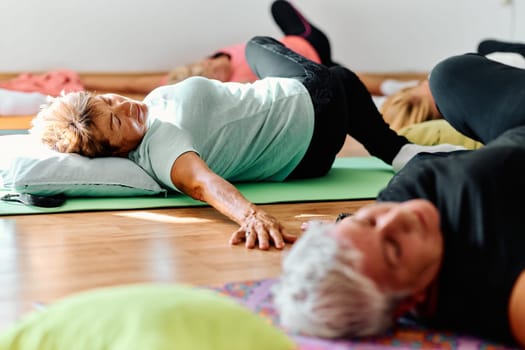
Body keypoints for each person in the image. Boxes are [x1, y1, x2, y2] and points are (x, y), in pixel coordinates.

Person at [30, 34, 464, 251]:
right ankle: (398, 151)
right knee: (264, 47)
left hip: (310, 155)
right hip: (312, 105)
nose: (125, 109)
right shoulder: (160, 146)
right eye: (115, 123)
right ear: (115, 150)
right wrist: (251, 215)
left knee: (342, 79)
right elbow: (201, 183)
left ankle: (398, 151)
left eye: (111, 101)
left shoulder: (153, 108)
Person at [272, 54, 525, 347]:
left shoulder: (400, 208)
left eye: (369, 221)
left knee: (448, 76)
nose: (395, 218)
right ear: (407, 302)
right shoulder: (498, 289)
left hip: (507, 133)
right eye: (393, 249)